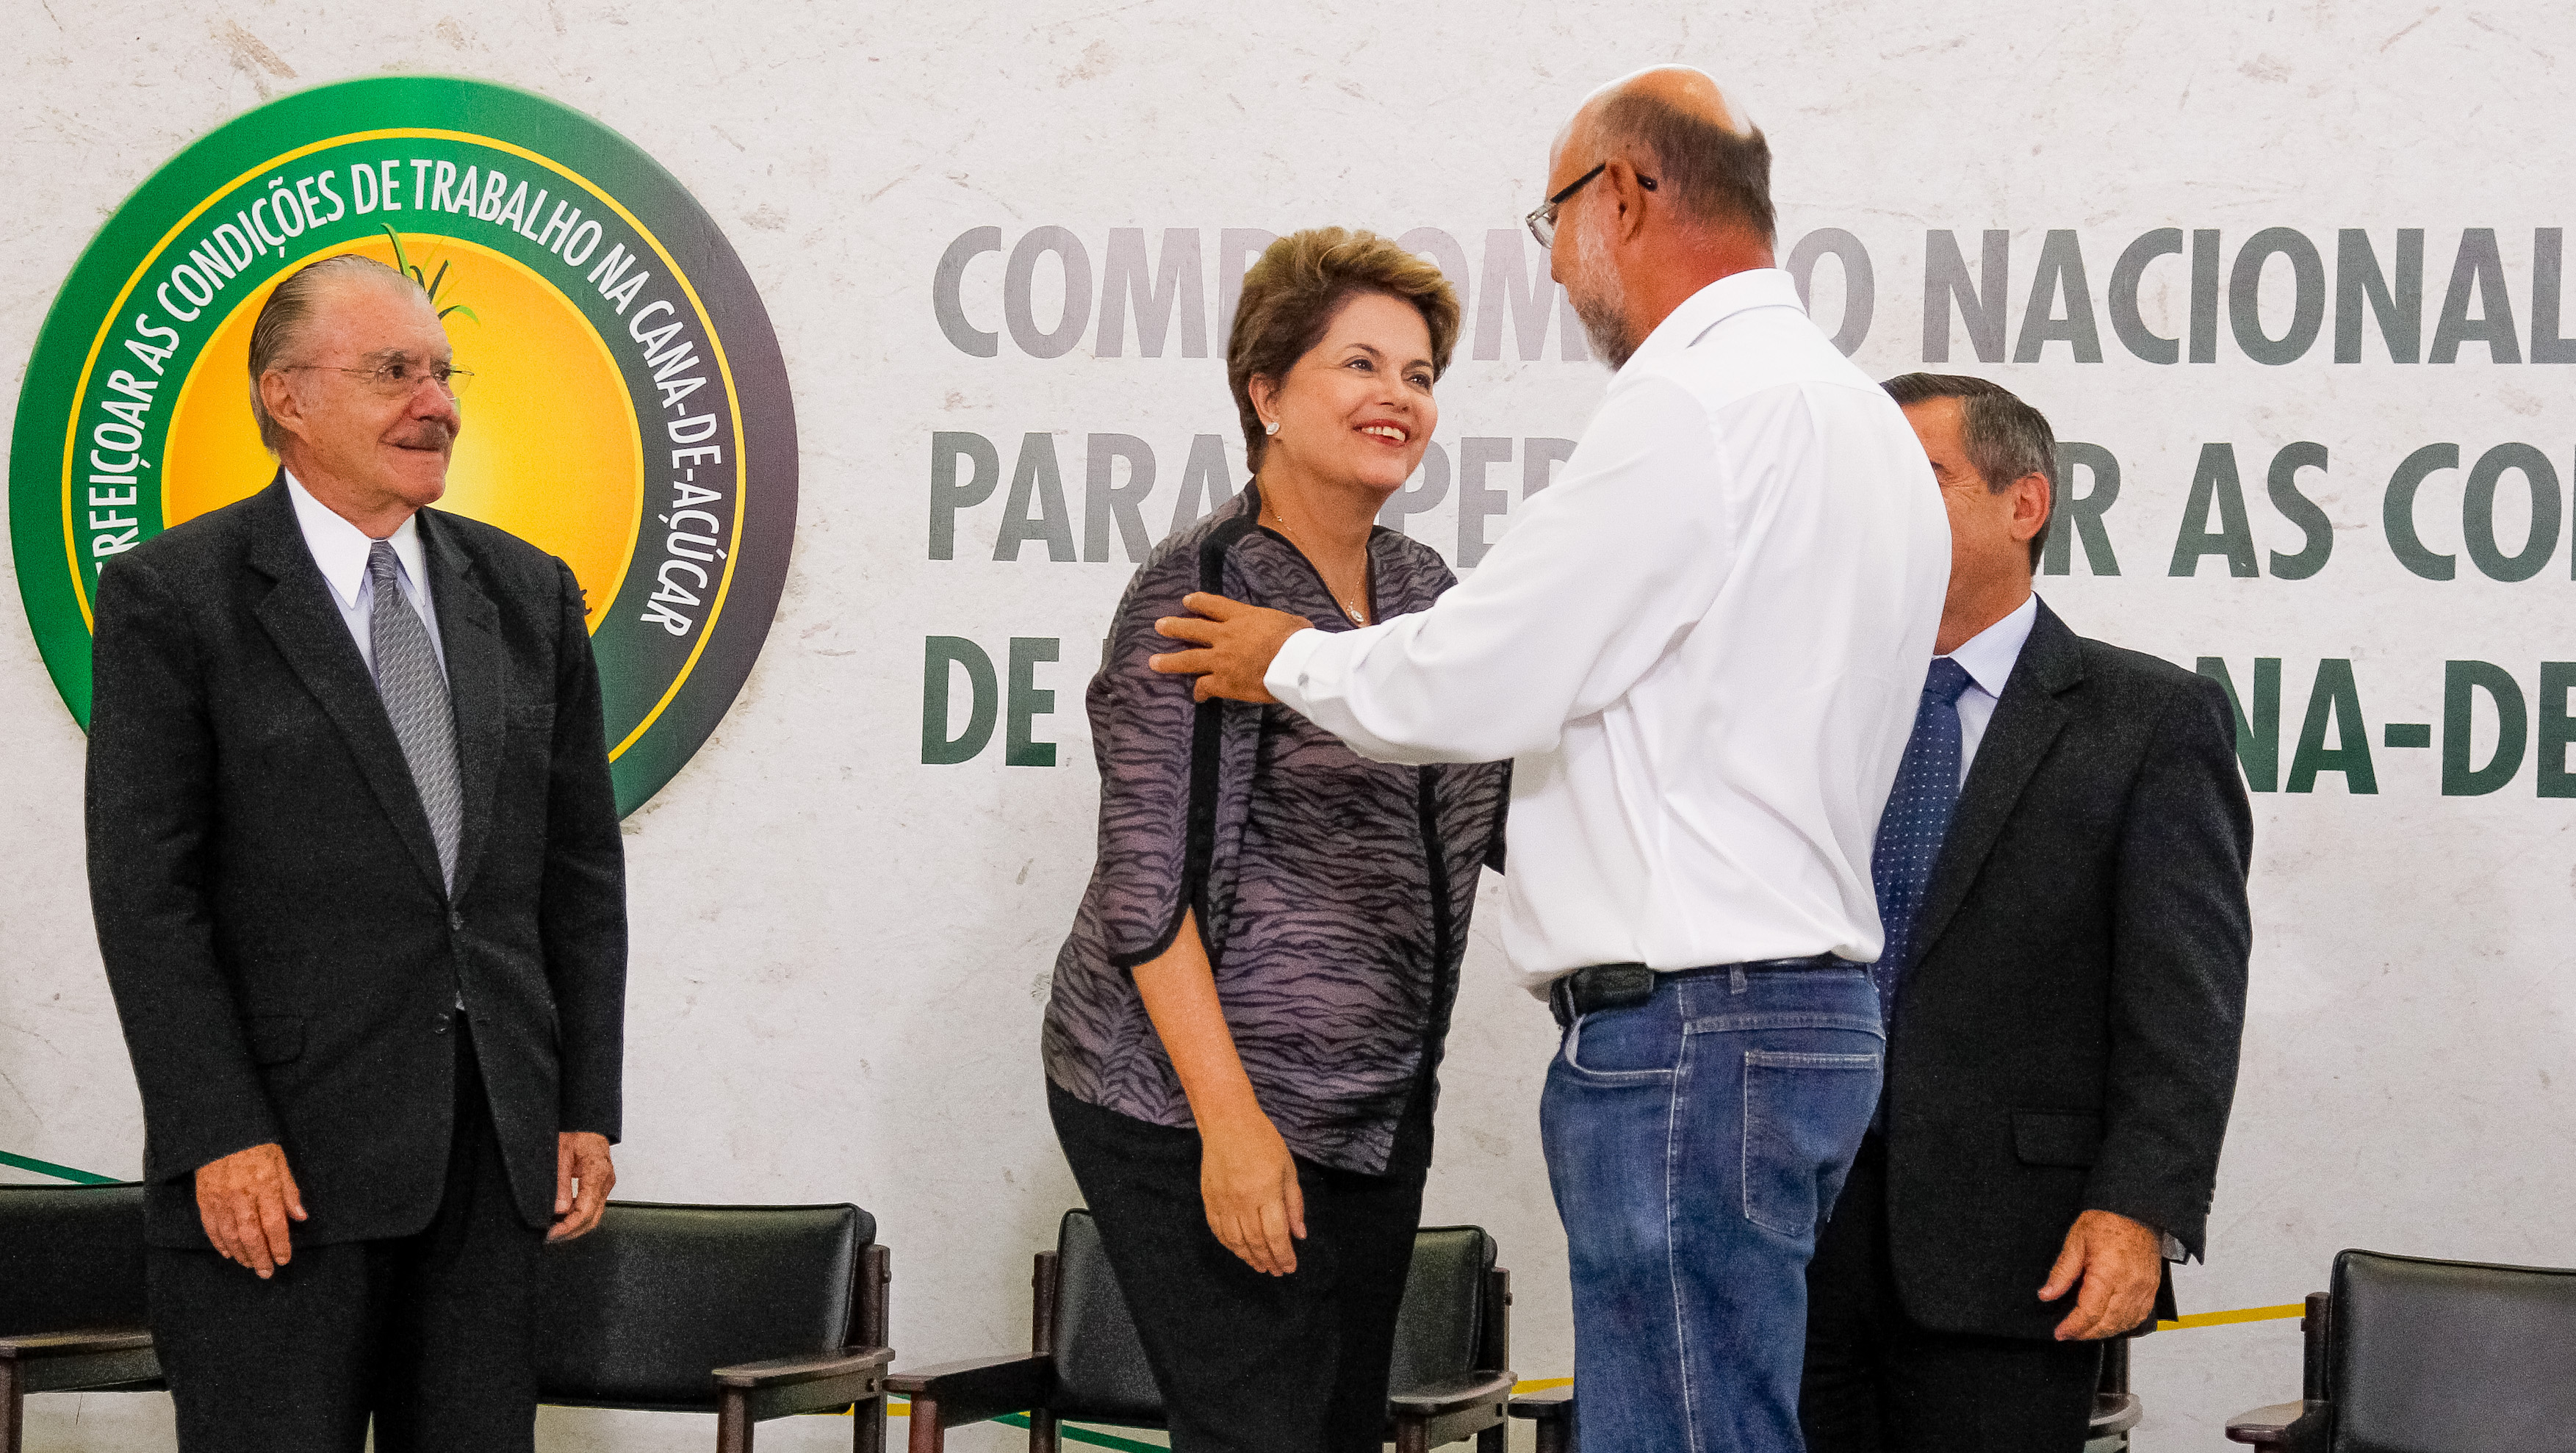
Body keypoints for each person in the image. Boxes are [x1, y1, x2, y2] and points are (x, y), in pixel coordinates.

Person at [1145, 68, 1950, 1453]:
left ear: (1626, 196)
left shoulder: (1692, 405)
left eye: (1554, 222)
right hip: (1802, 1021)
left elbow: (1479, 674)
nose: (1563, 268)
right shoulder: (1862, 425)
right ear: (1264, 392)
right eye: (1362, 363)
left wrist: (1287, 655)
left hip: (1691, 1031)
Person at [86, 253, 628, 1452]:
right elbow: (146, 894)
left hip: (490, 1171)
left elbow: (579, 872)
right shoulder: (174, 597)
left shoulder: (528, 592)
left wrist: (582, 1102)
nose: (434, 402)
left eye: (441, 372)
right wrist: (215, 1129)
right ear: (287, 398)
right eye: (393, 370)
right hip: (274, 1175)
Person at [1041, 228, 1510, 1452]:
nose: (1397, 399)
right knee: (1263, 1433)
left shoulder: (1425, 595)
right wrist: (1231, 1132)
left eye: (1418, 376)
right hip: (1188, 1097)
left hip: (1370, 1110)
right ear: (1264, 391)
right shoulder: (1197, 592)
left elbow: (1499, 810)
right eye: (1361, 364)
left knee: (1332, 1431)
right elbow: (1147, 897)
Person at [1796, 374, 2253, 1453]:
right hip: (1787, 1226)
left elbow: (2185, 1004)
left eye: (1919, 477)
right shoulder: (1803, 700)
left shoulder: (2147, 719)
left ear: (2024, 503)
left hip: (2012, 1246)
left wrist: (2137, 1205)